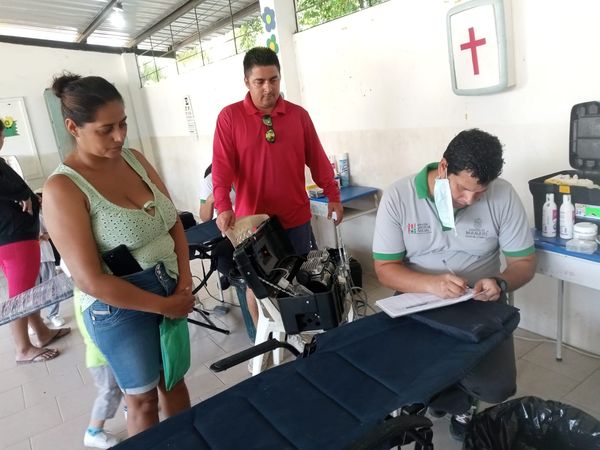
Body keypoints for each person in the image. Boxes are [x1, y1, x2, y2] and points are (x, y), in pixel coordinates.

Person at [43, 73, 195, 436]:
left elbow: (173, 220)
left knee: (174, 379)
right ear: (73, 127)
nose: (119, 136)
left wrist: (184, 281)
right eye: (106, 129)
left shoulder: (135, 160)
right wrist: (163, 306)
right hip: (117, 306)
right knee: (142, 399)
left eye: (123, 124)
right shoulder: (64, 188)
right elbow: (89, 280)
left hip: (169, 287)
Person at [372, 129, 536, 441]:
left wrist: (500, 282)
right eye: (462, 188)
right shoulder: (399, 196)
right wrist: (430, 285)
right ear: (444, 166)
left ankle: (458, 399)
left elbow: (524, 263)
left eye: (480, 192)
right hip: (418, 300)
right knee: (400, 372)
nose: (469, 199)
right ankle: (448, 398)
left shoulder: (503, 195)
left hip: (480, 304)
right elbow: (385, 270)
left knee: (496, 387)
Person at [212, 46, 343, 329]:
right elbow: (221, 168)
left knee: (301, 279)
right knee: (258, 287)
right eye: (259, 81)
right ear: (247, 82)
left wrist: (333, 194)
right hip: (253, 224)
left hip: (295, 218)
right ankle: (267, 341)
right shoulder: (230, 118)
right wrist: (222, 206)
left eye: (273, 80)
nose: (268, 88)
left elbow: (318, 159)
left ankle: (303, 338)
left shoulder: (298, 116)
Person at [0, 120, 70, 364]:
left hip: (14, 234)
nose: (2, 140)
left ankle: (40, 332)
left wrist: (30, 197)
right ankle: (23, 348)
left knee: (27, 288)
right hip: (13, 236)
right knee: (20, 294)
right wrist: (23, 195)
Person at [199, 164, 255, 342]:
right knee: (222, 255)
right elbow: (204, 217)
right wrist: (210, 200)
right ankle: (234, 278)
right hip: (228, 233)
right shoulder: (210, 180)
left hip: (251, 228)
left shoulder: (248, 171)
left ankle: (241, 279)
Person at [73, 289, 122, 449]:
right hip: (102, 358)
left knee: (121, 385)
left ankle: (130, 408)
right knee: (109, 392)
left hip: (102, 355)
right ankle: (93, 431)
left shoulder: (82, 291)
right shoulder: (90, 296)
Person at [36, 191, 65, 328]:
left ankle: (54, 315)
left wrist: (41, 237)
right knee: (31, 292)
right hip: (28, 260)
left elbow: (51, 232)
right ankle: (35, 321)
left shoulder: (40, 216)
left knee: (51, 287)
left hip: (45, 256)